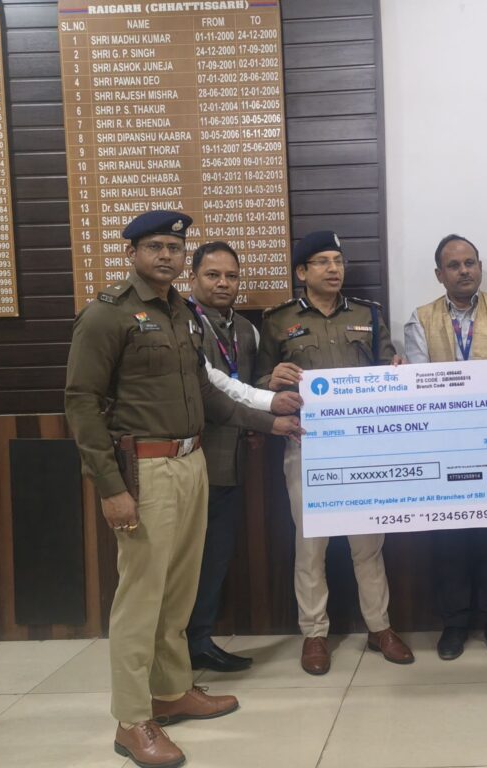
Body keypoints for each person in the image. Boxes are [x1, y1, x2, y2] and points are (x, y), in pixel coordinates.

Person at [64, 211, 302, 768]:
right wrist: (110, 487)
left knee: (177, 591)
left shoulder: (181, 313)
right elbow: (81, 402)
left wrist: (271, 422)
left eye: (174, 247)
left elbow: (208, 393)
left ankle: (170, 691)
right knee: (141, 598)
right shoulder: (106, 315)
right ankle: (132, 720)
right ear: (132, 253)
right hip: (144, 471)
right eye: (156, 247)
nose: (167, 256)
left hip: (192, 463)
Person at [255, 229, 414, 674]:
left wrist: (396, 370)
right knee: (310, 544)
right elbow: (258, 382)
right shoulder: (277, 321)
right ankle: (314, 633)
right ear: (301, 272)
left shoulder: (368, 314)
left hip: (364, 448)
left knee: (369, 542)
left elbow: (387, 369)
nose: (333, 269)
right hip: (306, 445)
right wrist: (270, 382)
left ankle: (380, 627)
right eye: (323, 262)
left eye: (338, 261)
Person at [185, 241, 303, 673]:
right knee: (183, 563)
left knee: (214, 558)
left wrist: (270, 384)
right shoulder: (183, 323)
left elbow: (248, 385)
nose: (223, 283)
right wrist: (267, 418)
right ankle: (173, 647)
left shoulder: (246, 330)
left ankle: (198, 641)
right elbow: (212, 389)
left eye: (231, 276)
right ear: (192, 278)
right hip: (189, 460)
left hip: (232, 461)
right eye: (212, 275)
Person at [404, 234, 487, 659]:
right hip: (444, 447)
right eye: (453, 265)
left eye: (470, 262)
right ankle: (454, 623)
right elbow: (419, 382)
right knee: (449, 537)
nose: (464, 271)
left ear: (479, 266)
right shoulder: (420, 318)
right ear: (440, 275)